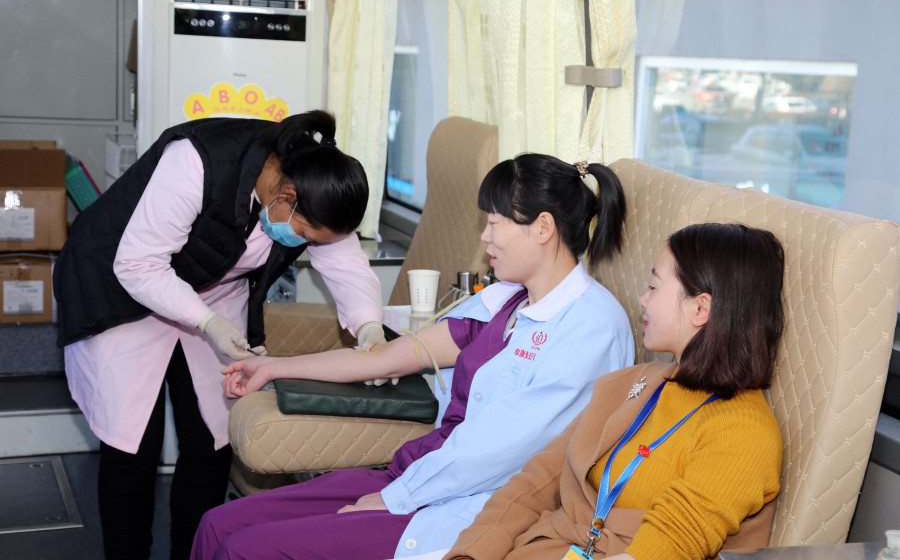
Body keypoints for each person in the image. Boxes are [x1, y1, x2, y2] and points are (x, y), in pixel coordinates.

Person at [191, 154, 635, 560]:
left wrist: (394, 499)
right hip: (417, 474)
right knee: (216, 524)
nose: (484, 237)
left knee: (240, 551)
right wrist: (272, 367)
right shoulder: (508, 302)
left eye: (494, 223)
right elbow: (385, 359)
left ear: (542, 228)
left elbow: (498, 453)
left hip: (465, 504)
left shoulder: (589, 329)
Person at [53, 111, 387, 560]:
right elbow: (139, 265)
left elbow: (347, 267)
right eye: (303, 232)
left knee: (210, 438)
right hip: (123, 288)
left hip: (216, 293)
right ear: (285, 196)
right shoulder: (198, 161)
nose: (302, 241)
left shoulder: (316, 189)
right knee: (132, 445)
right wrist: (205, 320)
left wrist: (369, 327)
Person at [444, 223, 785, 560]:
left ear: (700, 309)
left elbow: (672, 542)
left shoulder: (745, 432)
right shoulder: (630, 384)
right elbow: (538, 481)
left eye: (654, 287)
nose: (643, 299)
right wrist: (471, 553)